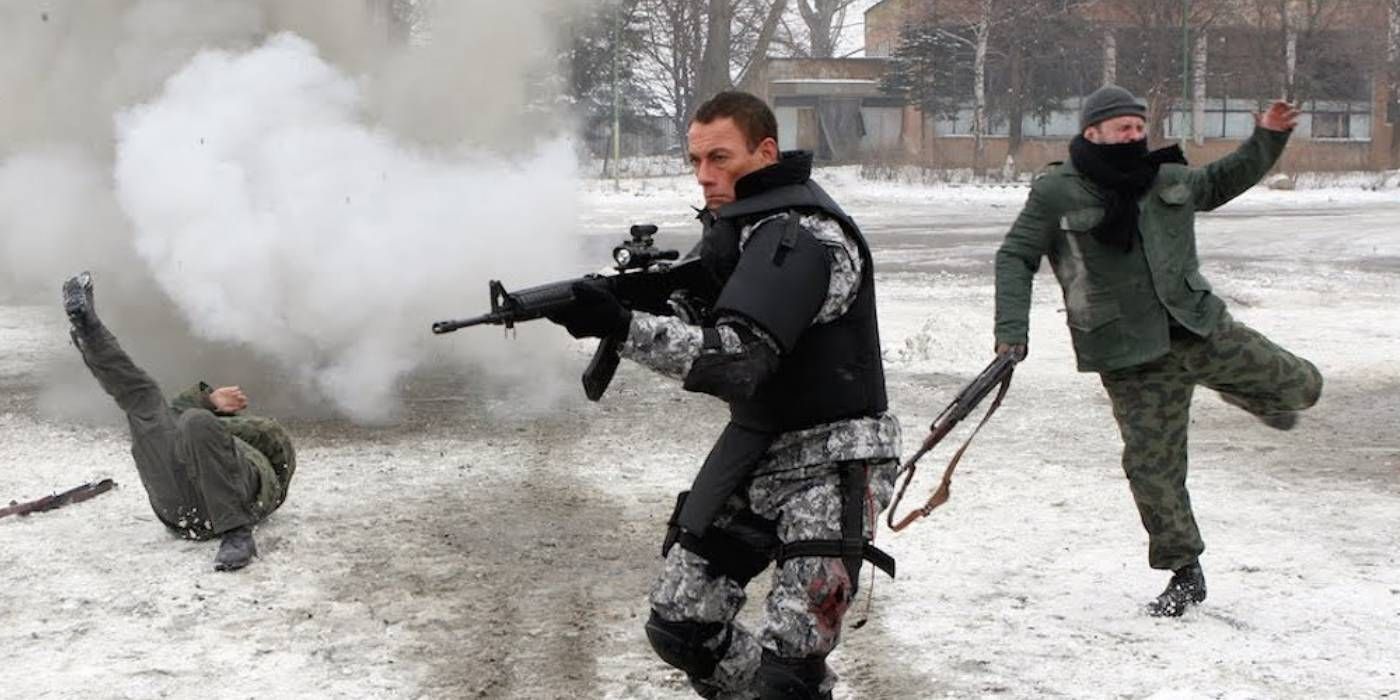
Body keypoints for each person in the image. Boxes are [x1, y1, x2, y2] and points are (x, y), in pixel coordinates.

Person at [546, 91, 901, 699]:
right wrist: (642, 302)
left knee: (790, 668)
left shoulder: (810, 238)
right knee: (682, 627)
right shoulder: (742, 231)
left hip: (834, 459)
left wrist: (622, 326)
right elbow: (705, 309)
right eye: (695, 161)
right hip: (758, 445)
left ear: (765, 151)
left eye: (720, 158)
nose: (706, 176)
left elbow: (738, 359)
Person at [993, 85, 1323, 617]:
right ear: (1092, 131)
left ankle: (1254, 395)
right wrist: (1011, 331)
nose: (1135, 135)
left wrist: (1270, 136)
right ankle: (1183, 571)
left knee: (1305, 388)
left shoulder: (1165, 177)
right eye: (1123, 127)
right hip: (1129, 354)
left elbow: (1223, 180)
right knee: (1153, 467)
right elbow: (1014, 257)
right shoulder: (1057, 191)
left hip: (1198, 327)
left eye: (1139, 127)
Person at [62, 271, 296, 571]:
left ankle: (237, 535)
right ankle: (88, 328)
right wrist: (209, 400)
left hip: (238, 502)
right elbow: (172, 411)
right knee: (143, 398)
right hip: (180, 508)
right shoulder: (189, 426)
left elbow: (275, 446)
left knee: (195, 422)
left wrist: (213, 418)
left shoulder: (250, 447)